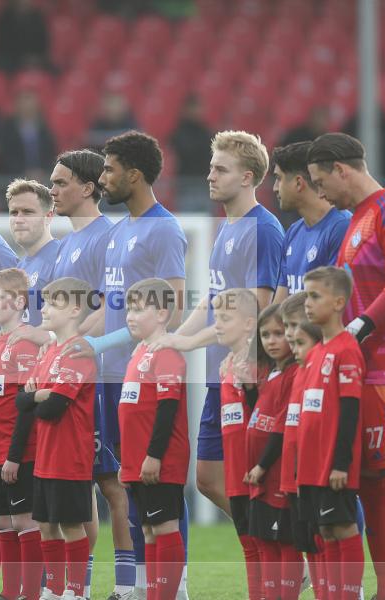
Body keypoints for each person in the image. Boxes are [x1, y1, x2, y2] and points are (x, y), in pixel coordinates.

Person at [67, 131, 188, 599]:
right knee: (132, 484)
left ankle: (175, 588)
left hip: (147, 375)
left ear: (133, 175)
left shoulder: (164, 229)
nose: (102, 179)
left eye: (110, 170)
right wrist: (73, 342)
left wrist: (101, 345)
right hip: (114, 376)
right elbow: (108, 307)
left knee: (160, 491)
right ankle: (139, 585)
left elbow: (172, 311)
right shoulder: (119, 234)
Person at [307, 133, 385, 600]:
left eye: (321, 181)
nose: (320, 193)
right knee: (370, 489)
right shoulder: (356, 218)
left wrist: (357, 329)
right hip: (357, 371)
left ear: (342, 169)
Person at [151, 130, 283, 520]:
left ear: (246, 177)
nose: (210, 176)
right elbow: (214, 298)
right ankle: (269, 536)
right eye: (211, 168)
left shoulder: (263, 229)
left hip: (248, 375)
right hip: (219, 371)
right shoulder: (227, 227)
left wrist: (190, 344)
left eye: (221, 169)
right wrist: (176, 338)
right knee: (209, 479)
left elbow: (253, 314)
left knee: (255, 476)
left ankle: (281, 544)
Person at [49, 149, 133, 600]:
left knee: (111, 480)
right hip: (73, 375)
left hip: (102, 375)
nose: (53, 190)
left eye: (61, 182)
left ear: (88, 187)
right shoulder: (66, 245)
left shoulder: (108, 238)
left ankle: (126, 587)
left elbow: (112, 307)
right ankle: (74, 588)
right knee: (77, 481)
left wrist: (73, 342)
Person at [16, 277, 98, 599]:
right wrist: (40, 396)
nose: (45, 309)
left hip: (69, 456)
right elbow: (21, 402)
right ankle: (54, 588)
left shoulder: (79, 352)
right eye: (45, 302)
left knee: (70, 525)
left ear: (75, 309)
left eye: (53, 303)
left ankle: (76, 592)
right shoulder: (49, 351)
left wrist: (38, 396)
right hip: (45, 456)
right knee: (47, 526)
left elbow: (53, 408)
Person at [118, 278, 189, 600]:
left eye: (138, 308)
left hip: (159, 460)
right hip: (137, 461)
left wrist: (154, 455)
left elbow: (167, 410)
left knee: (164, 527)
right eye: (128, 308)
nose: (130, 315)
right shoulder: (140, 352)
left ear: (162, 314)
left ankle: (171, 594)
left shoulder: (167, 352)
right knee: (147, 529)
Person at [299, 266, 366, 600]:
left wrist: (341, 462)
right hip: (313, 465)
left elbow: (351, 410)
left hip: (333, 464)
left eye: (315, 296)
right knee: (324, 530)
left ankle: (349, 594)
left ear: (339, 302)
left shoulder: (346, 349)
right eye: (306, 295)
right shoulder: (315, 353)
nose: (307, 303)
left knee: (342, 527)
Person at [0, 268, 43, 600]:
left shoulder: (26, 341)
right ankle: (9, 592)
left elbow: (26, 405)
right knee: (3, 524)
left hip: (20, 453)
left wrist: (14, 456)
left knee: (24, 523)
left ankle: (30, 593)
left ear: (18, 301)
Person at [244, 305, 302, 600]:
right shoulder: (272, 374)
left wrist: (262, 465)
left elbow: (281, 428)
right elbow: (261, 417)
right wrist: (249, 390)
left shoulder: (293, 373)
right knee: (264, 538)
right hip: (260, 477)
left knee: (285, 542)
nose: (272, 340)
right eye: (265, 334)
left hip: (277, 475)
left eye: (279, 333)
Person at [211, 287, 259, 598]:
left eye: (225, 318)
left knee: (267, 544)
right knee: (248, 543)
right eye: (216, 317)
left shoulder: (257, 364)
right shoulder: (227, 365)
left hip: (258, 472)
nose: (217, 324)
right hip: (235, 472)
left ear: (249, 324)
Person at [271, 142, 350, 304]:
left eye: (279, 179)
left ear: (299, 183)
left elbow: (334, 305)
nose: (274, 188)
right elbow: (279, 305)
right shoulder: (293, 232)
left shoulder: (341, 228)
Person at [283, 311, 324, 599]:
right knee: (307, 540)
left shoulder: (328, 362)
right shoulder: (295, 372)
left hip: (320, 472)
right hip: (295, 476)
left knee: (330, 536)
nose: (288, 340)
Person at [7, 179, 60, 327]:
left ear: (48, 217)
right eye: (14, 213)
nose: (18, 220)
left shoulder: (60, 259)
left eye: (27, 212)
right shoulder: (20, 267)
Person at [0, 90, 57, 180]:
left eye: (31, 103)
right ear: (17, 106)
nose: (28, 107)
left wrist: (43, 171)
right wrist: (25, 172)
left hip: (42, 178)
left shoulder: (45, 129)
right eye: (24, 103)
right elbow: (5, 156)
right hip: (13, 178)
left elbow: (51, 155)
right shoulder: (7, 128)